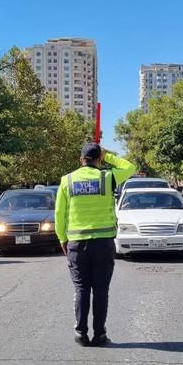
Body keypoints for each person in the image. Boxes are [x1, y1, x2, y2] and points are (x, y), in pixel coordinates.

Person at [55, 143, 136, 347]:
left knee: (81, 289)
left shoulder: (68, 180)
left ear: (81, 159)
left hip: (76, 243)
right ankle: (99, 334)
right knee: (100, 290)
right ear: (99, 159)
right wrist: (109, 156)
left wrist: (62, 239)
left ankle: (81, 333)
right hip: (103, 243)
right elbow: (130, 167)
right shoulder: (107, 178)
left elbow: (59, 215)